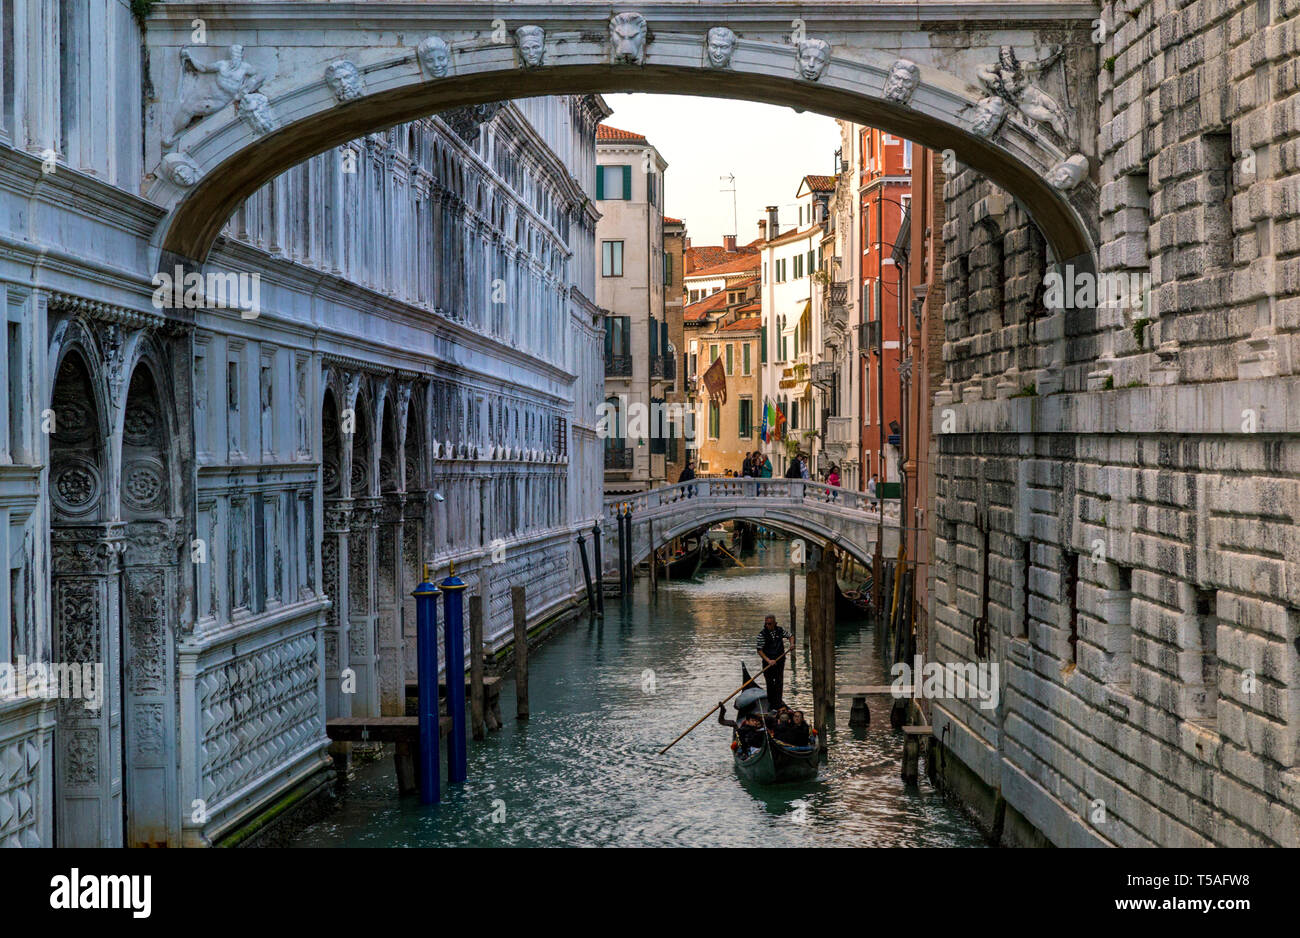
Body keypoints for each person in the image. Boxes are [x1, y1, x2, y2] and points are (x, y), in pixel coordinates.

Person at [756, 614, 794, 707]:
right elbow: (759, 650)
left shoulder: (780, 630)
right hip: (767, 662)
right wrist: (768, 660)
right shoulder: (762, 635)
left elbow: (790, 636)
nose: (767, 626)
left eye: (769, 624)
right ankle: (771, 703)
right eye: (766, 624)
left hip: (780, 660)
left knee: (779, 681)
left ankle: (778, 702)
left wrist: (791, 644)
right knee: (769, 682)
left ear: (774, 623)